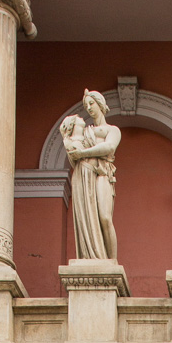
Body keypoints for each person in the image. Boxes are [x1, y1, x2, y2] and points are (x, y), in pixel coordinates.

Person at [60, 90, 121, 261]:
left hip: (102, 173)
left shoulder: (112, 130)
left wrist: (83, 153)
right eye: (86, 105)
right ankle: (92, 256)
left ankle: (112, 261)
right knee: (88, 217)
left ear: (100, 103)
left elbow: (109, 148)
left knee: (105, 217)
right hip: (84, 175)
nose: (89, 108)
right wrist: (67, 138)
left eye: (91, 103)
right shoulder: (84, 130)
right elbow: (71, 147)